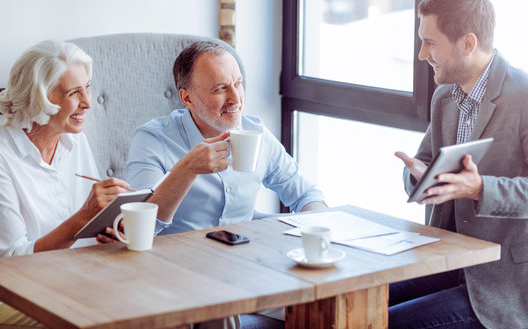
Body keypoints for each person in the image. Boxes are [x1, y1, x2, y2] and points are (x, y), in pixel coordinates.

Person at [125, 41, 326, 328]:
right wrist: (187, 169)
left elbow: (307, 193)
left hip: (247, 270)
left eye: (238, 84)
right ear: (187, 98)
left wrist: (314, 236)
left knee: (324, 305)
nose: (235, 99)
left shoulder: (255, 133)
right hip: (177, 275)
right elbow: (139, 227)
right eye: (220, 89)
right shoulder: (153, 140)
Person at [393, 0, 528, 329]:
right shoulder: (445, 97)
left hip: (504, 283)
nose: (421, 55)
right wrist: (419, 177)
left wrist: (478, 188)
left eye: (430, 43)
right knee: (352, 300)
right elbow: (423, 163)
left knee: (388, 322)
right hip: (446, 260)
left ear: (468, 43)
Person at [0, 40, 132, 326]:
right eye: (75, 92)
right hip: (20, 292)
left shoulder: (74, 139)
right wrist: (83, 217)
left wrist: (107, 227)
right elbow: (10, 265)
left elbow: (90, 225)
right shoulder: (3, 156)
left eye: (88, 87)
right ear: (40, 97)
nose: (88, 102)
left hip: (82, 276)